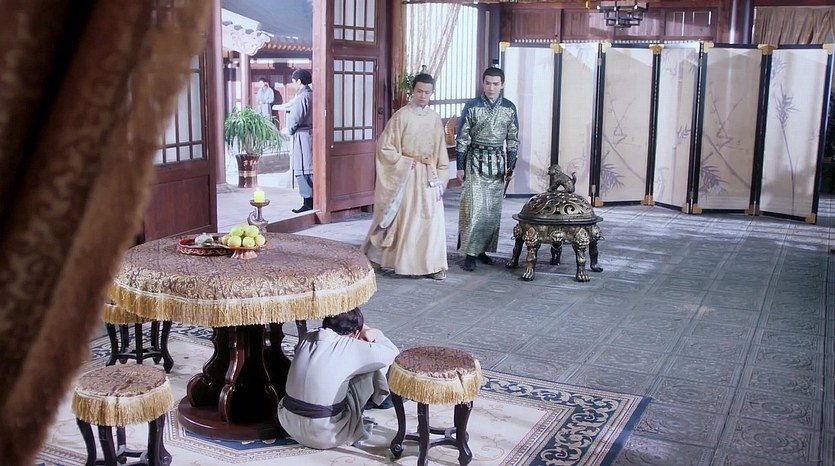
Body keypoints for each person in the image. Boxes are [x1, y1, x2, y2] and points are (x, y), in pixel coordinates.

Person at [361, 73, 449, 280]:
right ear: (413, 91)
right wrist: (406, 162)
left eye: (427, 92)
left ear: (432, 93)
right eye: (419, 91)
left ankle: (433, 265)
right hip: (407, 174)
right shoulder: (401, 116)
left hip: (429, 175)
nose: (422, 96)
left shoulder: (435, 119)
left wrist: (441, 176)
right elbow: (385, 148)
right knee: (401, 218)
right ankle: (387, 259)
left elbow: (440, 152)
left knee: (432, 221)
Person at [278, 308, 399, 450]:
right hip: (327, 435)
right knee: (372, 369)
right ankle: (381, 402)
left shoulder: (308, 336)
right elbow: (394, 354)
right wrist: (373, 332)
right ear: (355, 333)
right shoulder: (352, 347)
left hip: (288, 425)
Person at [455, 67, 519, 272]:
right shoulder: (472, 106)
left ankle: (481, 250)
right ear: (482, 83)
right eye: (488, 83)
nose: (491, 88)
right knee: (473, 207)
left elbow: (513, 140)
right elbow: (462, 138)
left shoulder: (509, 108)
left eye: (496, 84)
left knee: (491, 211)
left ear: (502, 85)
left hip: (498, 164)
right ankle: (469, 253)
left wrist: (510, 166)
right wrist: (460, 166)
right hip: (475, 160)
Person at [284, 69, 314, 213]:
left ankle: (308, 202)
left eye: (293, 81)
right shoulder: (312, 95)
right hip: (311, 134)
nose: (293, 84)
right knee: (309, 167)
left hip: (303, 136)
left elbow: (295, 119)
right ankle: (311, 200)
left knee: (303, 167)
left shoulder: (303, 97)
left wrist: (289, 130)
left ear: (299, 81)